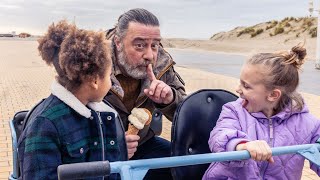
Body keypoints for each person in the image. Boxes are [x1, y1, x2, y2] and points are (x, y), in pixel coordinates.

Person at [17, 20, 127, 179]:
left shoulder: (99, 113)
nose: (112, 83)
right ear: (95, 80)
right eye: (109, 76)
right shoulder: (44, 125)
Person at [202, 45, 320, 180]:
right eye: (240, 82)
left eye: (246, 86)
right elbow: (219, 136)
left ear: (273, 95)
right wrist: (243, 145)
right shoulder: (234, 110)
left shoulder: (310, 124)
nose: (237, 89)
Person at [104, 8, 186, 179]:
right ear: (118, 42)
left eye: (154, 45)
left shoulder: (162, 64)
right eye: (139, 45)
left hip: (145, 143)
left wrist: (169, 99)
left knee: (184, 166)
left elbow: (186, 112)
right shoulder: (93, 61)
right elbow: (68, 119)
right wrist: (111, 145)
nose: (149, 55)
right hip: (98, 151)